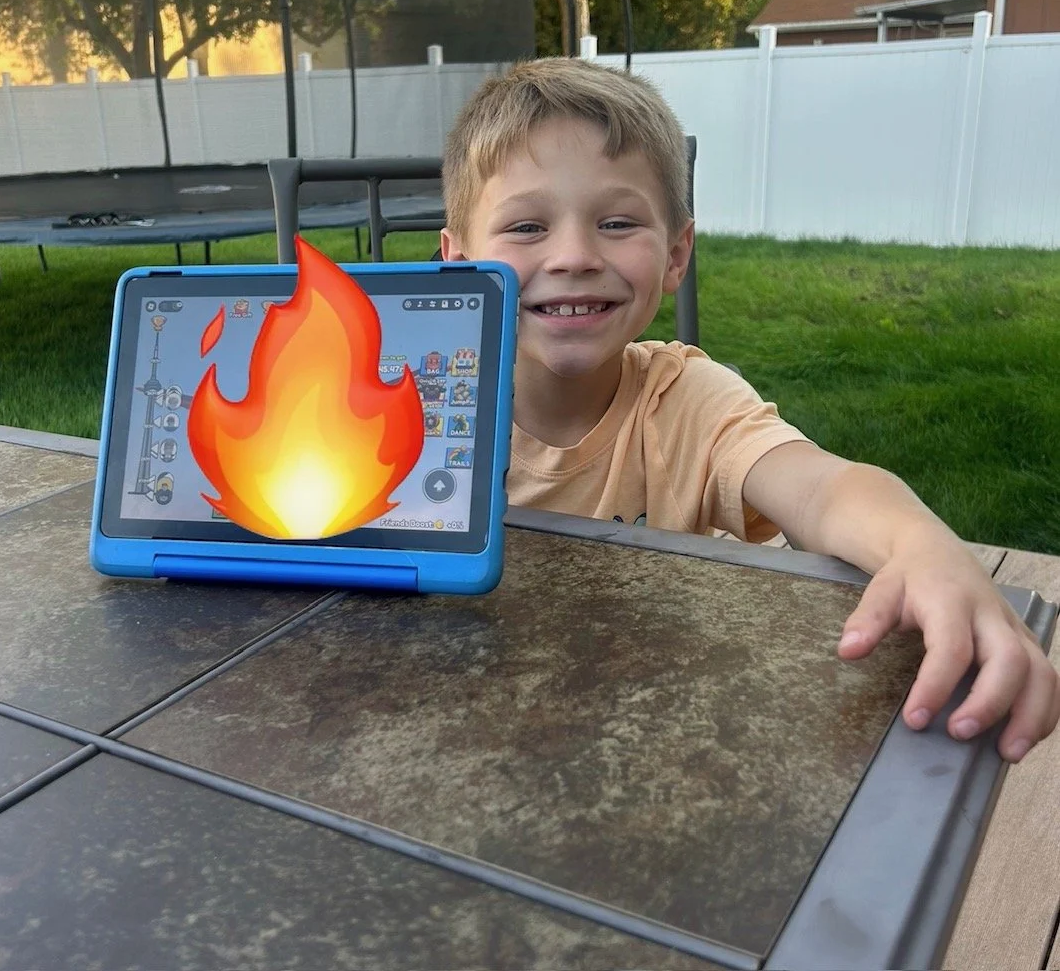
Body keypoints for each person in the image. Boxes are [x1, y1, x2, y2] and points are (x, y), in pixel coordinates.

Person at [440, 57, 1060, 763]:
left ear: (676, 255)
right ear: (458, 263)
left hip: (670, 725)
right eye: (526, 227)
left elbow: (822, 489)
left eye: (616, 222)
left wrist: (922, 548)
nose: (574, 255)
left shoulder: (687, 404)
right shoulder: (422, 414)